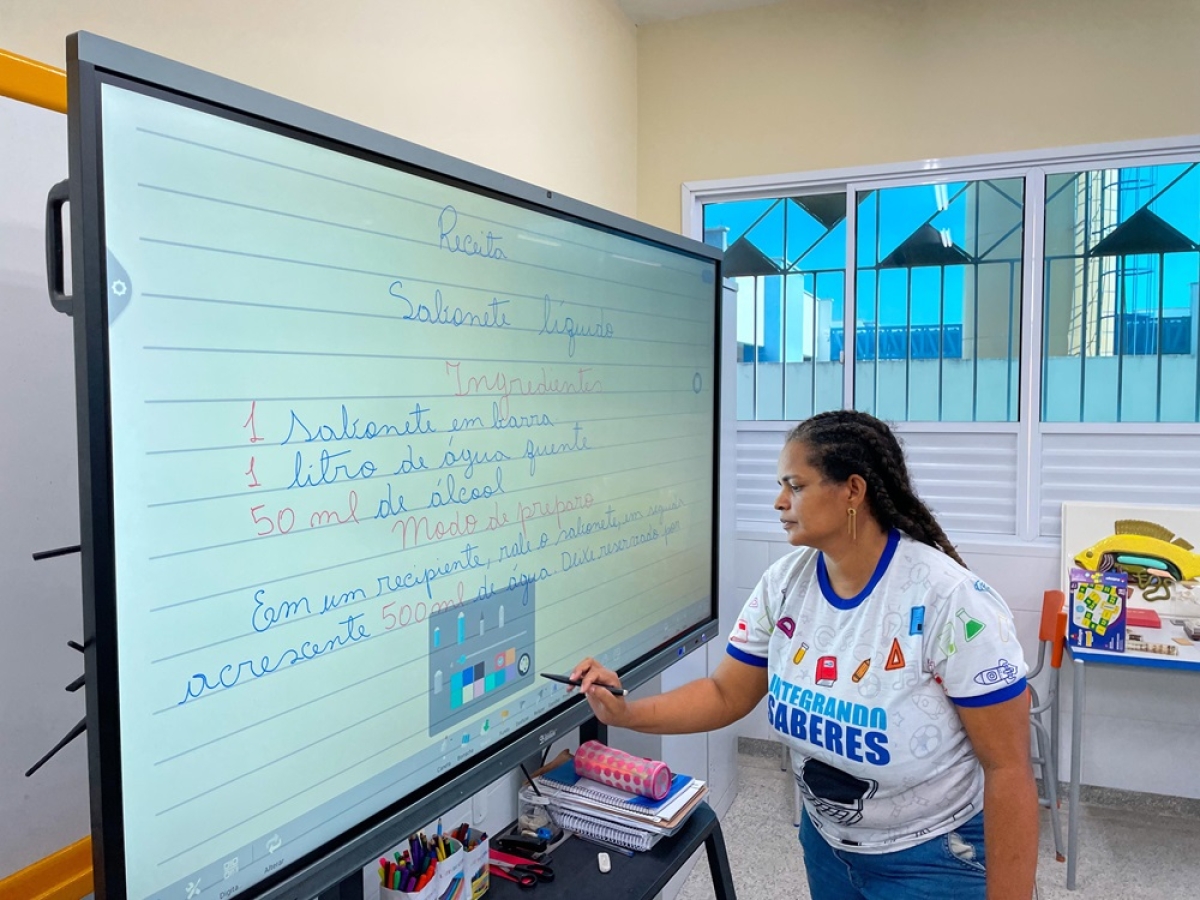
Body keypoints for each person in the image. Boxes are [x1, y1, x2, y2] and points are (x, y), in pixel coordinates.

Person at [572, 410, 1038, 900]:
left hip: (932, 859)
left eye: (795, 486)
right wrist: (626, 711)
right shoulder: (785, 583)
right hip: (828, 847)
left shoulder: (949, 599)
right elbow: (725, 693)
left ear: (852, 491)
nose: (779, 502)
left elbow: (1008, 770)